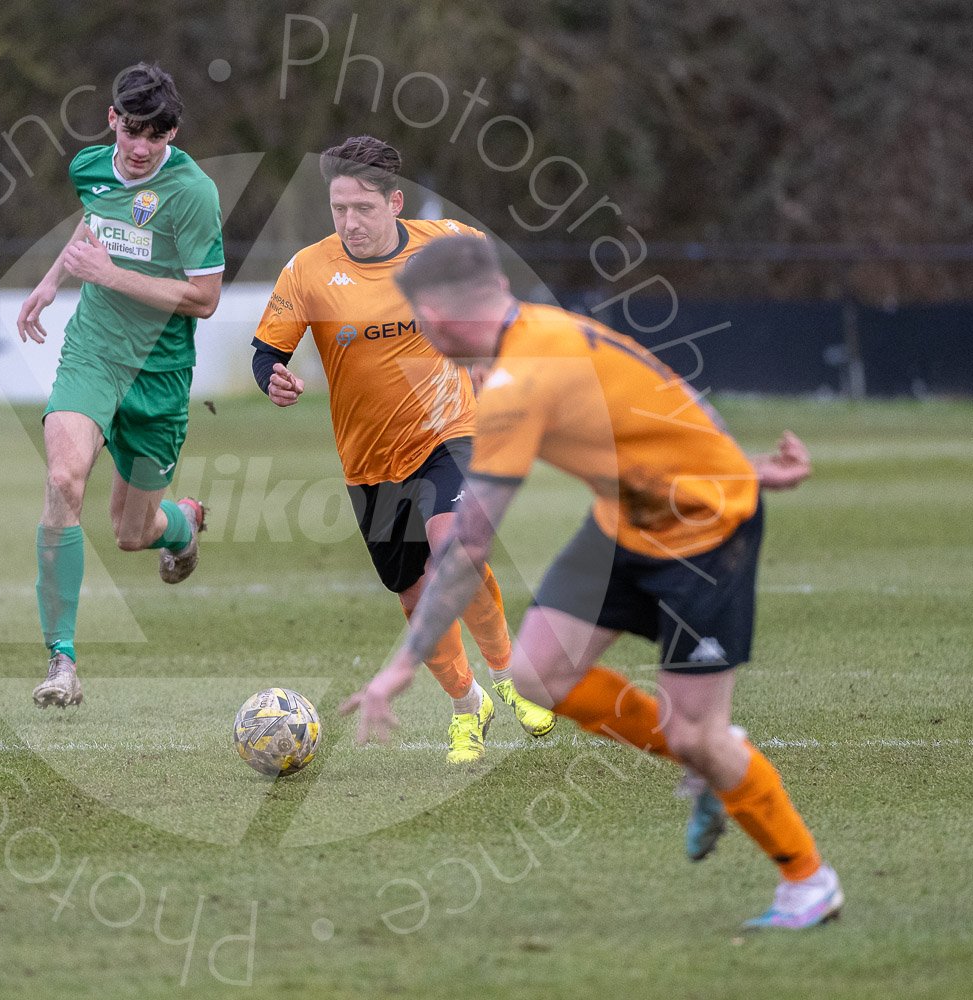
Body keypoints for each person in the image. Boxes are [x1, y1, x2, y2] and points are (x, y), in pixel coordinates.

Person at [342, 235, 841, 929]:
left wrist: (398, 669)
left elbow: (470, 542)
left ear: (436, 313)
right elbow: (666, 396)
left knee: (702, 736)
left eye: (418, 322)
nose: (419, 336)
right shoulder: (542, 331)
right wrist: (742, 460)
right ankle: (704, 752)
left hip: (705, 535)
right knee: (540, 675)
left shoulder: (519, 380)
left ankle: (807, 880)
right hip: (623, 523)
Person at [251, 136, 554, 764]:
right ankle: (469, 706)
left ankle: (510, 672)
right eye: (338, 209)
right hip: (368, 460)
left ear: (394, 201)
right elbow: (267, 351)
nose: (349, 222)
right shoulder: (309, 269)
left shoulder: (444, 245)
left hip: (450, 432)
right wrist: (272, 377)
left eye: (362, 208)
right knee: (415, 594)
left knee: (456, 547)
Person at [16, 63, 223, 708]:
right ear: (113, 120)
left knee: (131, 533)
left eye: (154, 138)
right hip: (94, 354)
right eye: (131, 131)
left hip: (159, 375)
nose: (139, 148)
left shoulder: (194, 194)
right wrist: (54, 279)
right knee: (61, 481)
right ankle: (61, 662)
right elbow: (95, 223)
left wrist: (106, 273)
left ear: (172, 135)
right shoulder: (90, 167)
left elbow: (204, 298)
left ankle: (181, 527)